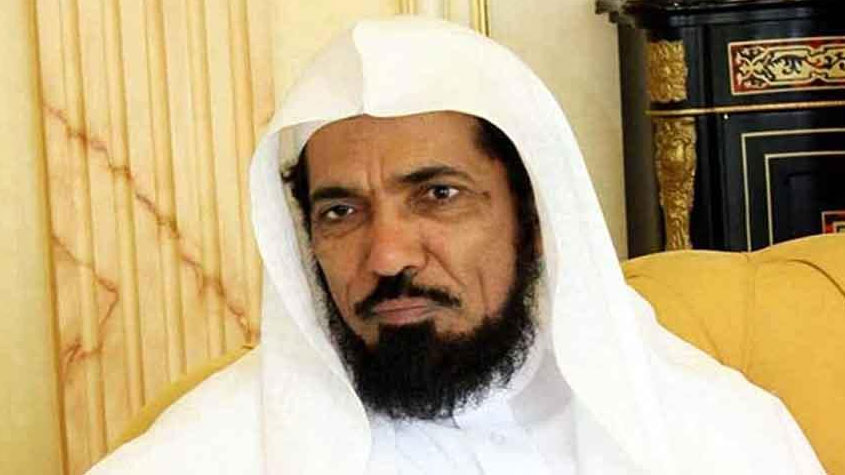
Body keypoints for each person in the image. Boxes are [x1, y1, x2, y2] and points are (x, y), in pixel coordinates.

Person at [89, 17, 823, 474]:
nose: (386, 256)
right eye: (340, 210)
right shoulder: (207, 450)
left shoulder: (716, 435)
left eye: (438, 195)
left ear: (535, 218)